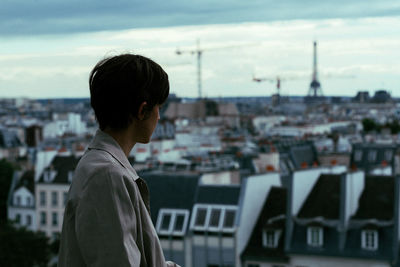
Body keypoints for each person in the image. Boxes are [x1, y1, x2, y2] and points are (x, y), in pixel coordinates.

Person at [58, 54, 179, 267]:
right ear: (142, 110)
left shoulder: (100, 165)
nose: (159, 116)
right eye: (158, 107)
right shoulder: (107, 176)